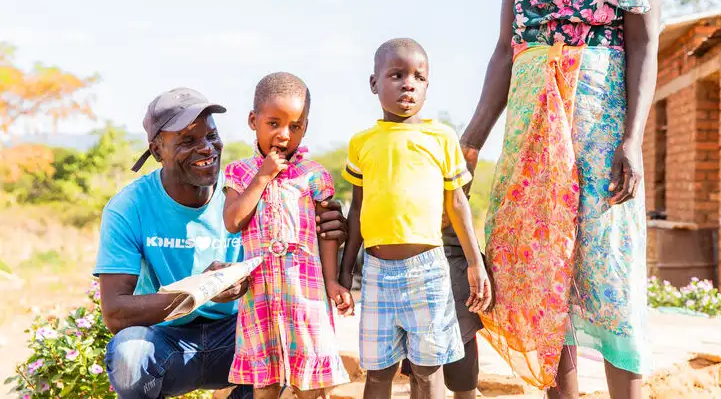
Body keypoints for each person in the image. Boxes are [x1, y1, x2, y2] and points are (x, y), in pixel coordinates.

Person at [460, 0, 662, 398]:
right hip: (533, 126)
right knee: (544, 267)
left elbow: (645, 43)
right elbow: (507, 50)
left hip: (600, 125)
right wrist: (471, 142)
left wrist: (633, 140)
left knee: (609, 268)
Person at [94, 87, 347, 399]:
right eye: (188, 140)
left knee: (280, 326)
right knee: (130, 354)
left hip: (239, 336)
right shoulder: (129, 206)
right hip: (167, 342)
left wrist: (330, 225)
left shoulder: (247, 189)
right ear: (158, 150)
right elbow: (115, 312)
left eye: (211, 136)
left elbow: (300, 253)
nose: (206, 148)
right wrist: (203, 290)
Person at [339, 38, 492, 399]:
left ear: (427, 86)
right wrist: (345, 271)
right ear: (374, 83)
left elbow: (457, 204)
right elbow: (357, 210)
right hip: (376, 273)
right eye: (396, 74)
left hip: (428, 270)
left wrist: (475, 264)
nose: (409, 83)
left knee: (428, 370)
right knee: (378, 372)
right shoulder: (362, 143)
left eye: (418, 77)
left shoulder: (441, 137)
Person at [223, 72, 352, 398]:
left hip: (305, 294)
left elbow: (327, 234)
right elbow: (233, 221)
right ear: (254, 121)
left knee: (310, 384)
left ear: (305, 127)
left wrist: (332, 281)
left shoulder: (314, 175)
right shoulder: (240, 172)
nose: (284, 135)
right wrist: (263, 176)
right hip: (260, 296)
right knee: (264, 384)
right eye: (274, 123)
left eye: (295, 126)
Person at [400, 215, 485, 399]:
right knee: (420, 370)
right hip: (416, 258)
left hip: (454, 260)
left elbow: (457, 201)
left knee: (462, 366)